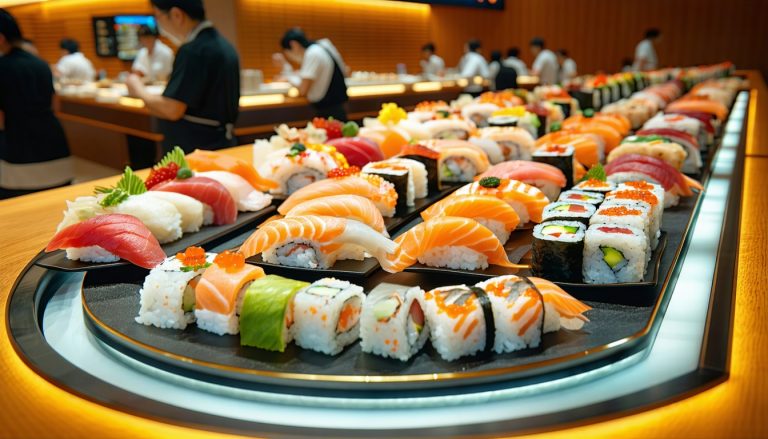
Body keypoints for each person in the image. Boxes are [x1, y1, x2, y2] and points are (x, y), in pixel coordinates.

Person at [126, 0, 240, 154]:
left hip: (196, 148)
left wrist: (137, 88)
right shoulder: (223, 44)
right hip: (221, 142)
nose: (159, 24)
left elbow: (172, 109)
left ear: (176, 15)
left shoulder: (193, 51)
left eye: (158, 16)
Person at [0, 9, 71, 198]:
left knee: (19, 202)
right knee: (59, 198)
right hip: (53, 138)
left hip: (18, 141)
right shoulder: (41, 63)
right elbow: (55, 103)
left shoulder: (2, 66)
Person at [274, 28, 349, 121]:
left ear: (294, 44)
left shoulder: (312, 53)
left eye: (288, 53)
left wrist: (289, 78)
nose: (291, 57)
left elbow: (303, 90)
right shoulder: (323, 46)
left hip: (328, 110)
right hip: (336, 107)